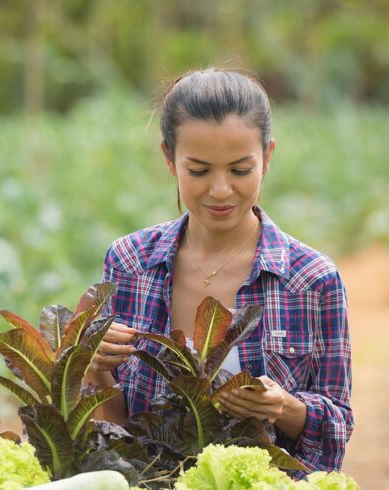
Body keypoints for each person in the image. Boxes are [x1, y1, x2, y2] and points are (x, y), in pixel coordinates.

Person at [85, 68, 353, 475]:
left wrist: (283, 407)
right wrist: (97, 367)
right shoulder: (129, 263)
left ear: (268, 156)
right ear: (169, 159)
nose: (221, 190)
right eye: (199, 170)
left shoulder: (311, 280)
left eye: (240, 170)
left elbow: (338, 426)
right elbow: (117, 432)